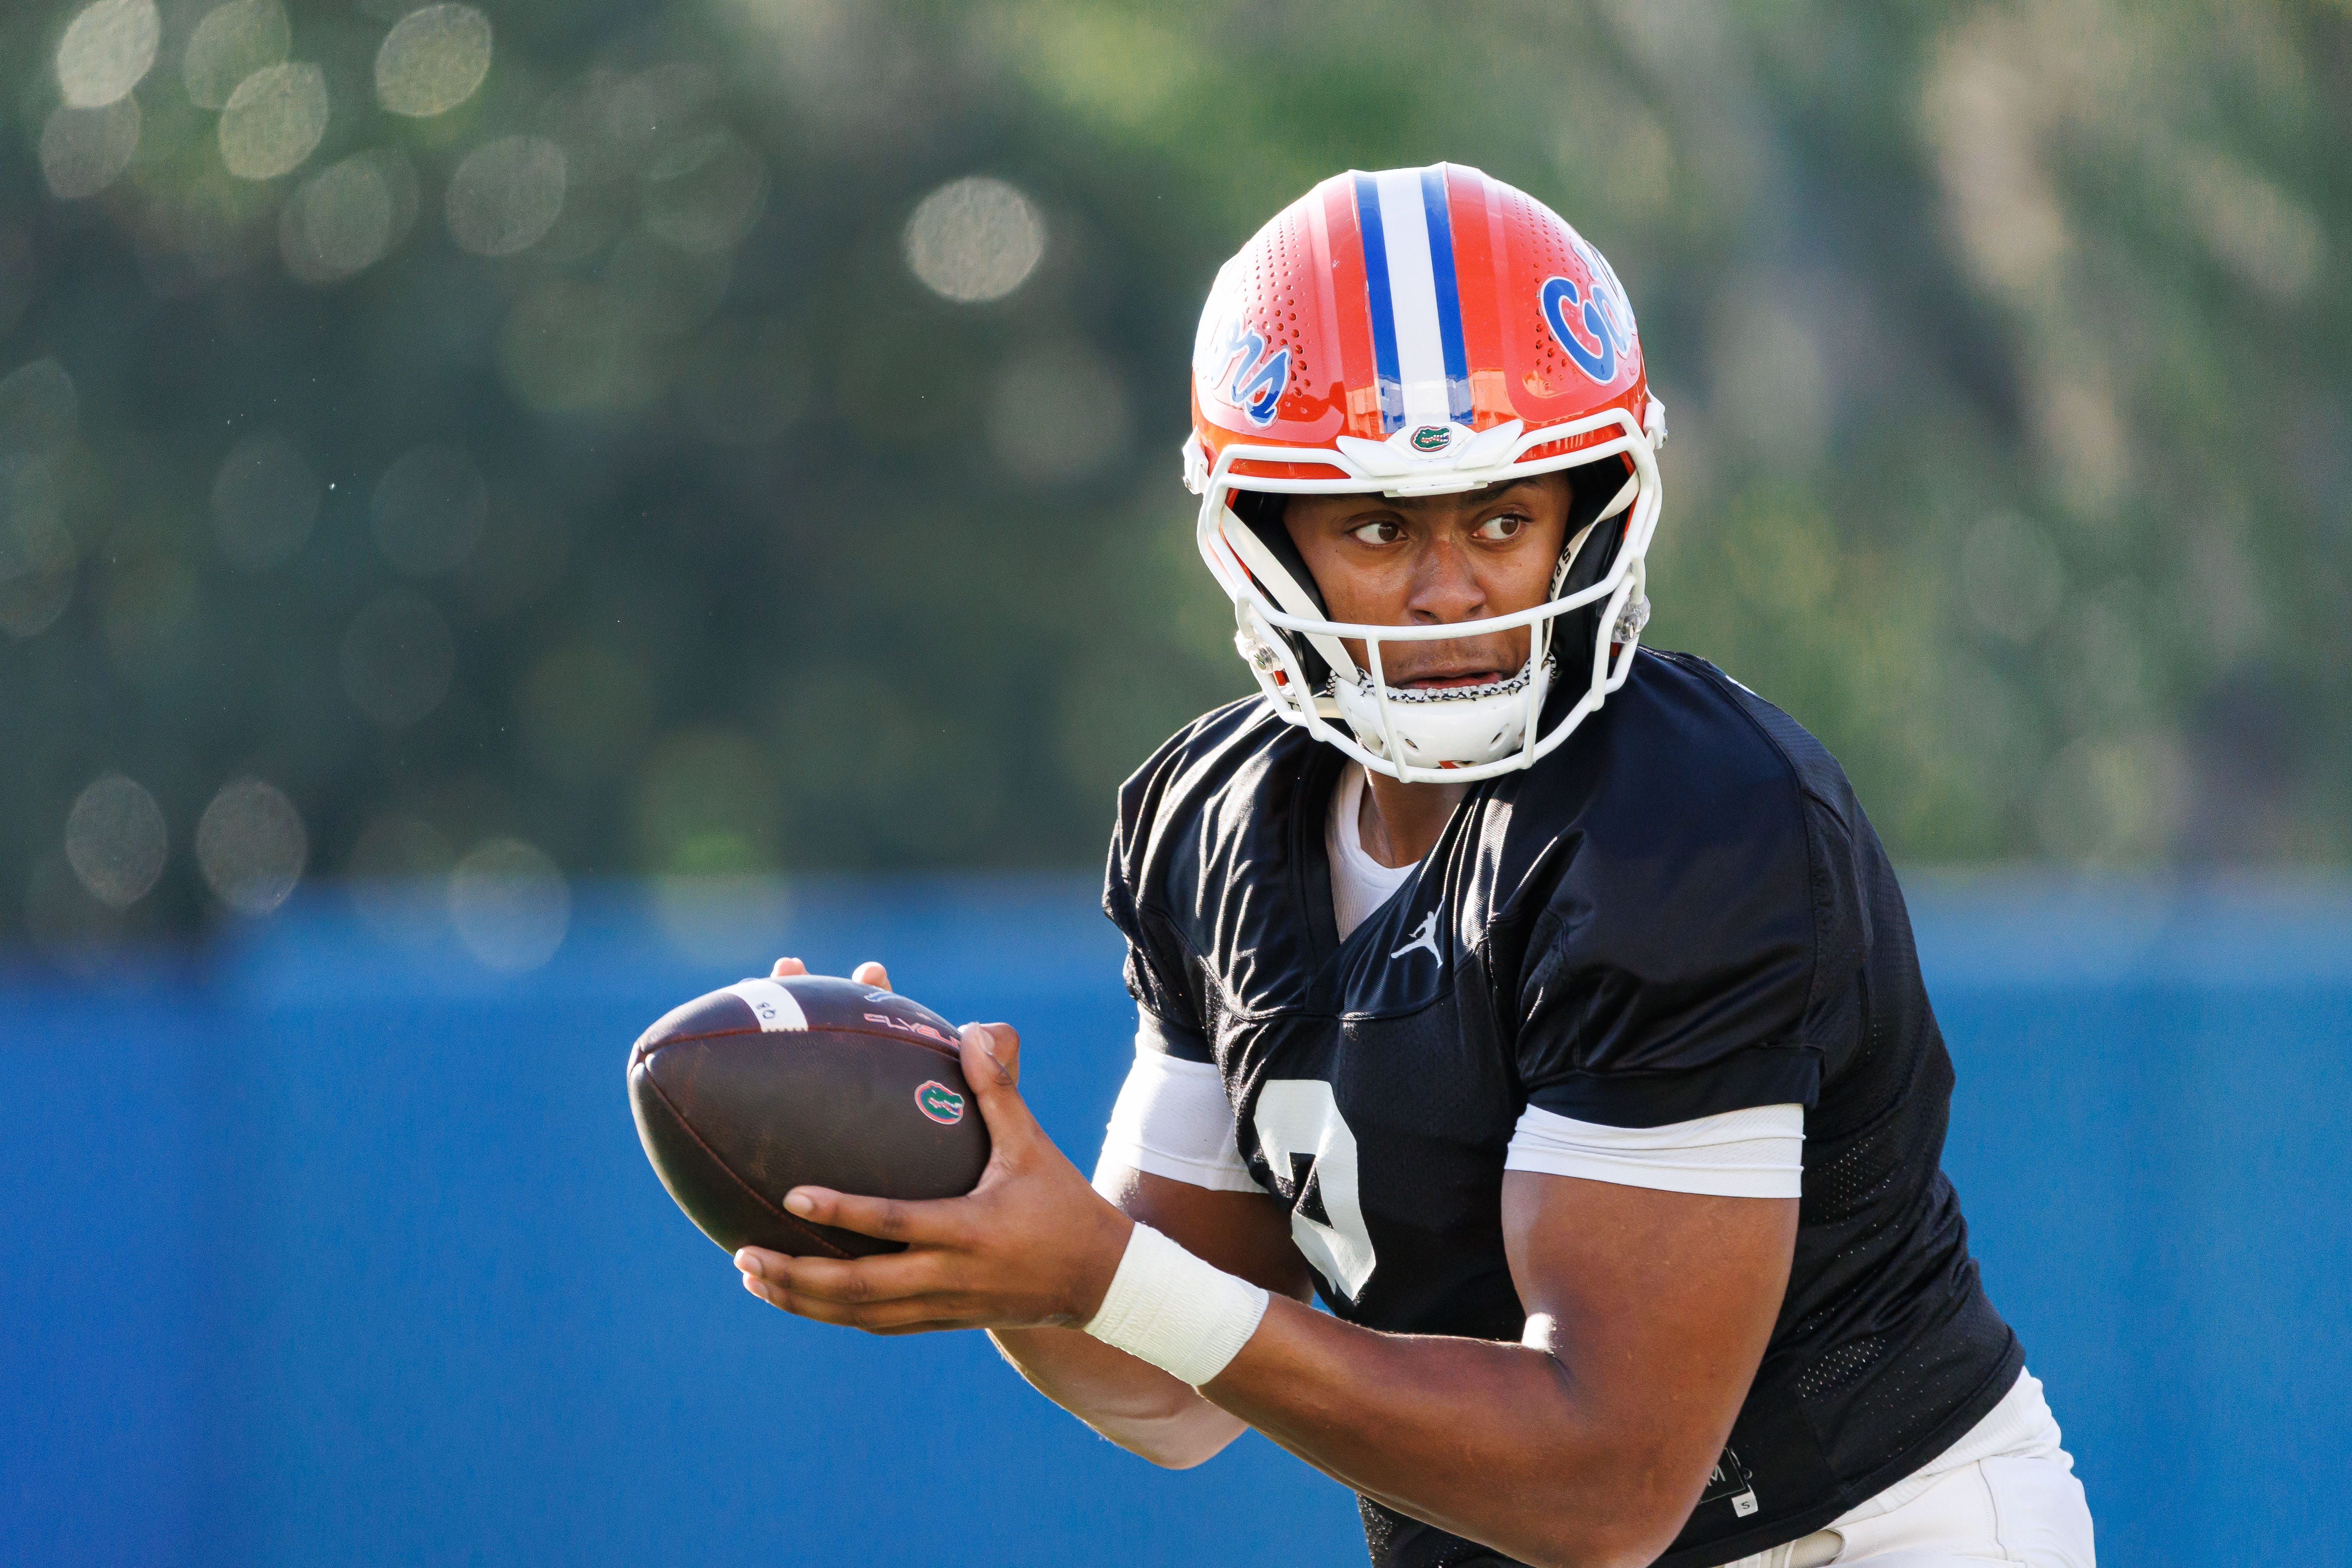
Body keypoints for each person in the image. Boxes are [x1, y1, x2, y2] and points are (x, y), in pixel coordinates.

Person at [734, 165, 2096, 1568]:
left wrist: (1098, 1268)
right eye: (1381, 526)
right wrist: (981, 1221)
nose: (1451, 591)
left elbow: (1605, 1482)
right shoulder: (1215, 824)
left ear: (1590, 513)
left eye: (1501, 521)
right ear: (1270, 540)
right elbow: (1157, 1382)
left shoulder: (1692, 822)